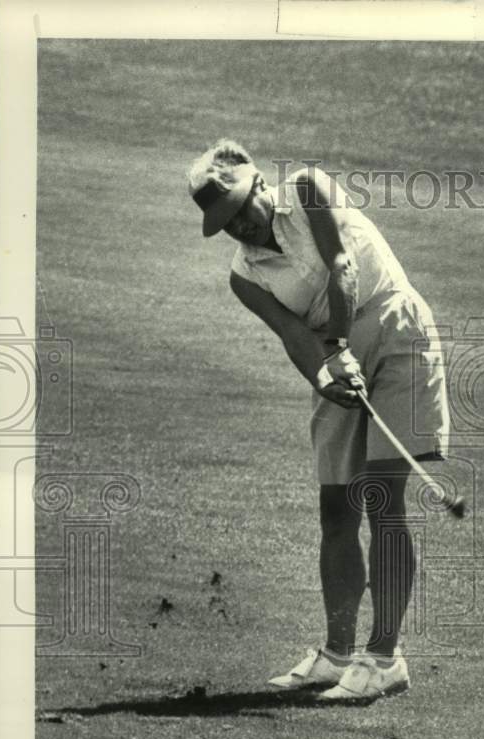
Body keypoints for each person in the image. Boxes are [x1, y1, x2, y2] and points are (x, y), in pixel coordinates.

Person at [187, 139, 449, 703]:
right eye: (224, 225)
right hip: (337, 356)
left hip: (396, 329)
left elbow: (341, 265)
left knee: (382, 496)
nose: (239, 230)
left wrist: (336, 346)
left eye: (239, 213)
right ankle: (335, 655)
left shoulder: (306, 187)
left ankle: (384, 658)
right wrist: (326, 376)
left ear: (259, 187)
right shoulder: (244, 276)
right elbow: (292, 335)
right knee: (336, 506)